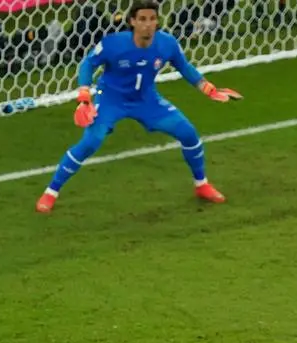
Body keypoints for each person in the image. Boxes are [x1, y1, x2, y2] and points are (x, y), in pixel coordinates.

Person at [35, 0, 242, 213]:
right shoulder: (113, 44)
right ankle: (51, 192)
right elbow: (88, 64)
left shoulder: (166, 43)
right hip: (111, 100)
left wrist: (209, 89)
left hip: (146, 100)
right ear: (132, 21)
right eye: (142, 19)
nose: (148, 24)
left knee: (188, 133)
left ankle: (202, 185)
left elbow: (184, 66)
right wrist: (84, 96)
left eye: (152, 19)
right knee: (91, 142)